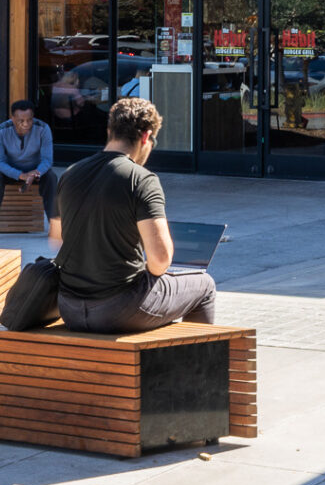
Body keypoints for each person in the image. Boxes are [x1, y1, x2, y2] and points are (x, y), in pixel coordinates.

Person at [52, 96, 217, 334]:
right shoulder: (141, 179)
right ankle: (198, 367)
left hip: (69, 306)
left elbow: (57, 240)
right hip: (118, 308)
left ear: (110, 131)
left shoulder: (70, 174)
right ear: (146, 137)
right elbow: (160, 260)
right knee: (204, 285)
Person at [0, 99, 58, 242]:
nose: (26, 124)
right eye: (21, 120)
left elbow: (47, 160)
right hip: (11, 171)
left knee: (51, 177)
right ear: (12, 119)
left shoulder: (43, 128)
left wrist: (35, 173)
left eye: (29, 120)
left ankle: (55, 225)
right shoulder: (1, 130)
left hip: (36, 171)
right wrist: (21, 176)